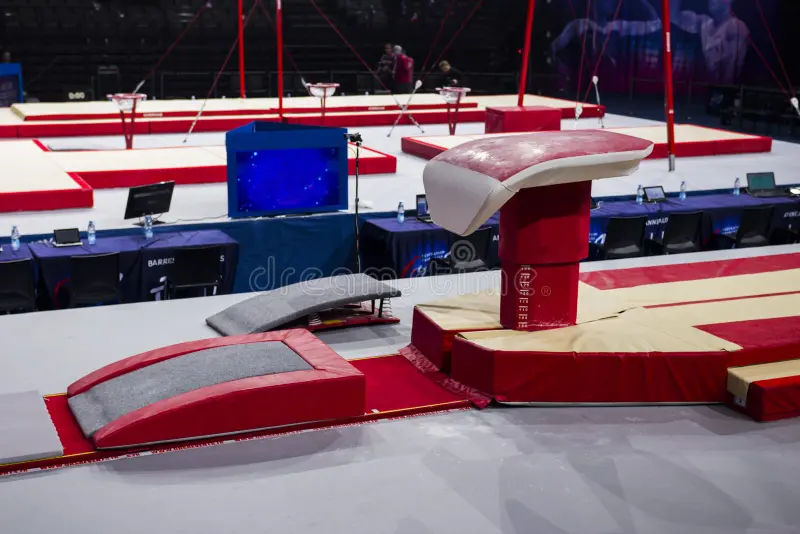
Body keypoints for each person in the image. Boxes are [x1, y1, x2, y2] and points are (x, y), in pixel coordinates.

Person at [670, 0, 748, 84]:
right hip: (701, 89)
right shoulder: (703, 23)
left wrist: (725, 92)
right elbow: (673, 18)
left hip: (722, 90)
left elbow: (732, 68)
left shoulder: (736, 27)